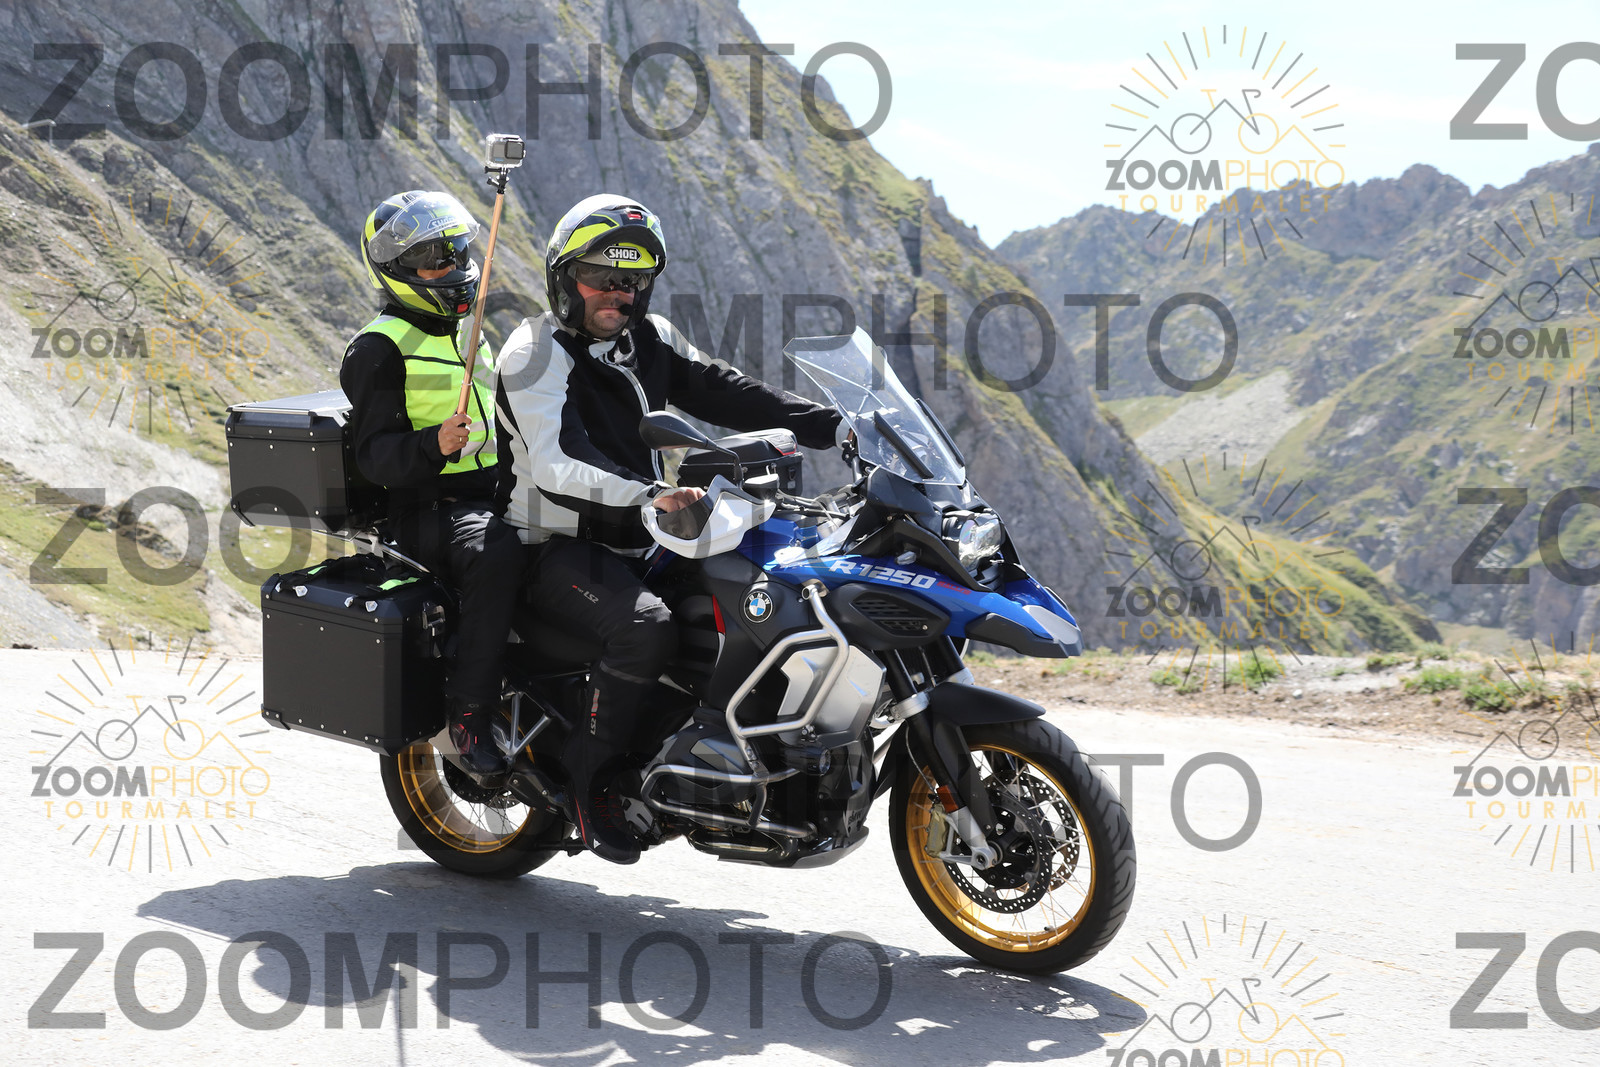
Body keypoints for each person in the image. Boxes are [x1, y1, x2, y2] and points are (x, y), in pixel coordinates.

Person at [494, 194, 843, 863]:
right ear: (564, 276)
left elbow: (724, 388)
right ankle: (592, 785)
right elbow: (558, 463)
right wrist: (650, 496)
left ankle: (734, 755)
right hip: (554, 544)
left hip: (645, 533)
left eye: (632, 279)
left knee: (763, 592)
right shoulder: (534, 352)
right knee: (645, 627)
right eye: (600, 275)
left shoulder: (646, 338)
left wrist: (834, 425)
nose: (617, 292)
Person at [341, 189, 525, 775]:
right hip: (424, 508)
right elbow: (374, 457)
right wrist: (432, 445)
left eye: (454, 251)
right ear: (396, 270)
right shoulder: (378, 349)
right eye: (431, 259)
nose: (450, 266)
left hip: (489, 491)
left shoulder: (465, 329)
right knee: (496, 551)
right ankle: (469, 714)